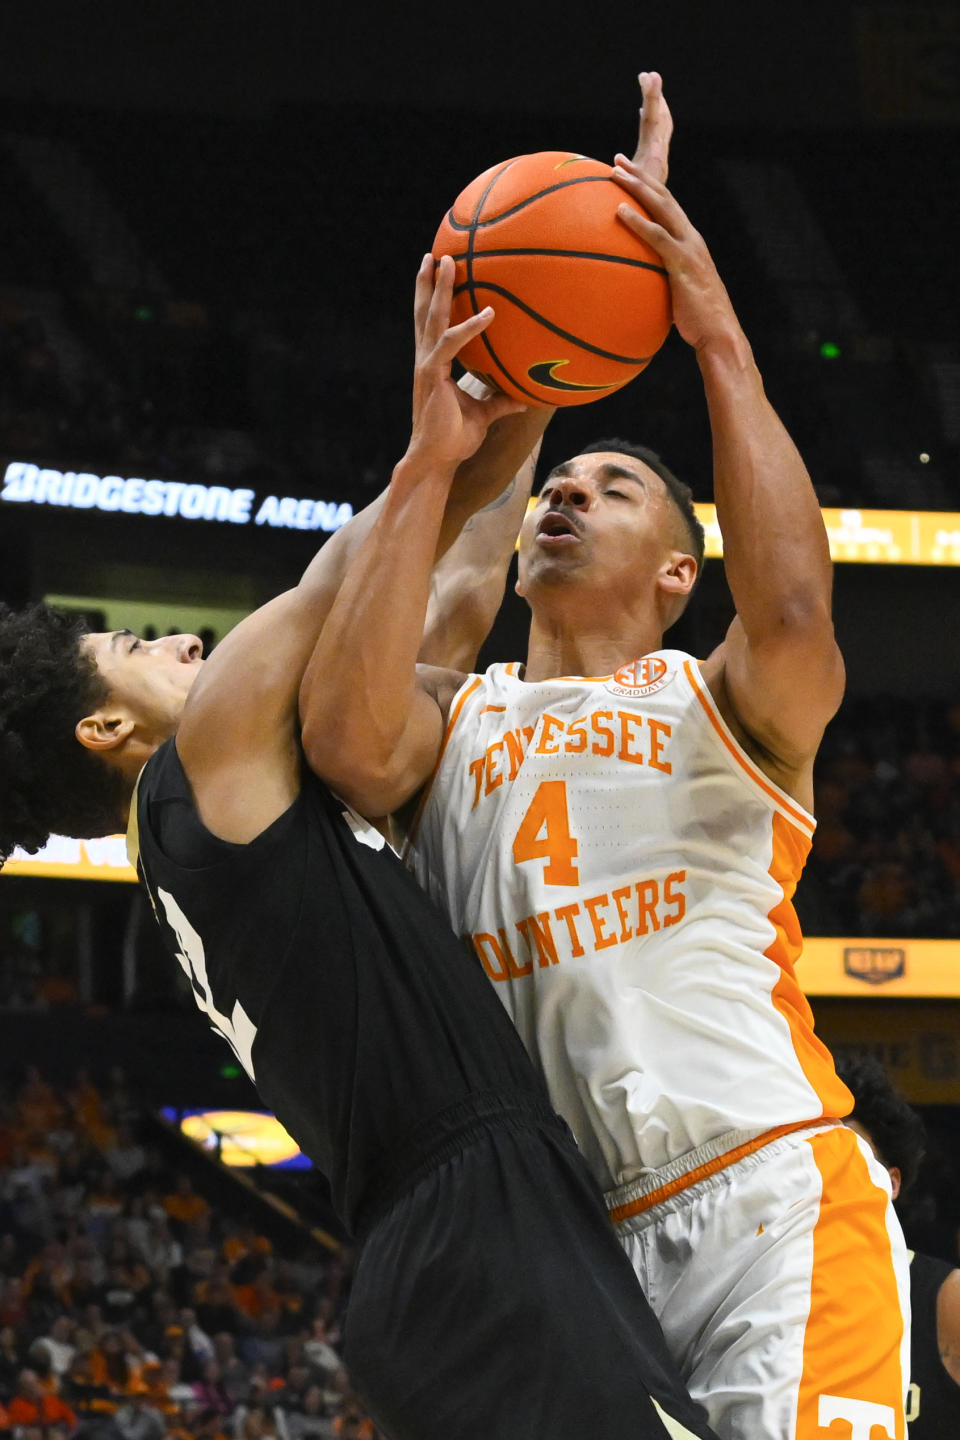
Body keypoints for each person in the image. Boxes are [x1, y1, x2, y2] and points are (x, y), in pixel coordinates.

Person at [0, 79, 719, 1440]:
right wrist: (486, 384)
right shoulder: (204, 763)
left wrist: (543, 388)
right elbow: (375, 555)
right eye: (140, 646)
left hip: (447, 1235)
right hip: (471, 1223)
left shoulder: (220, 827)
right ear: (105, 732)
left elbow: (442, 599)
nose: (181, 644)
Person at [301, 127, 912, 1439]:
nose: (565, 496)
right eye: (556, 485)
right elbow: (347, 745)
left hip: (764, 1197)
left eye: (613, 484)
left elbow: (796, 603)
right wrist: (433, 458)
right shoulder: (454, 720)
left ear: (681, 576)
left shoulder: (723, 699)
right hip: (570, 1258)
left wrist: (718, 341)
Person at [838, 1054, 960, 1438]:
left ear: (892, 1182)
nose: (832, 1177)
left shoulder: (947, 1298)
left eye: (851, 1160)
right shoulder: (770, 1286)